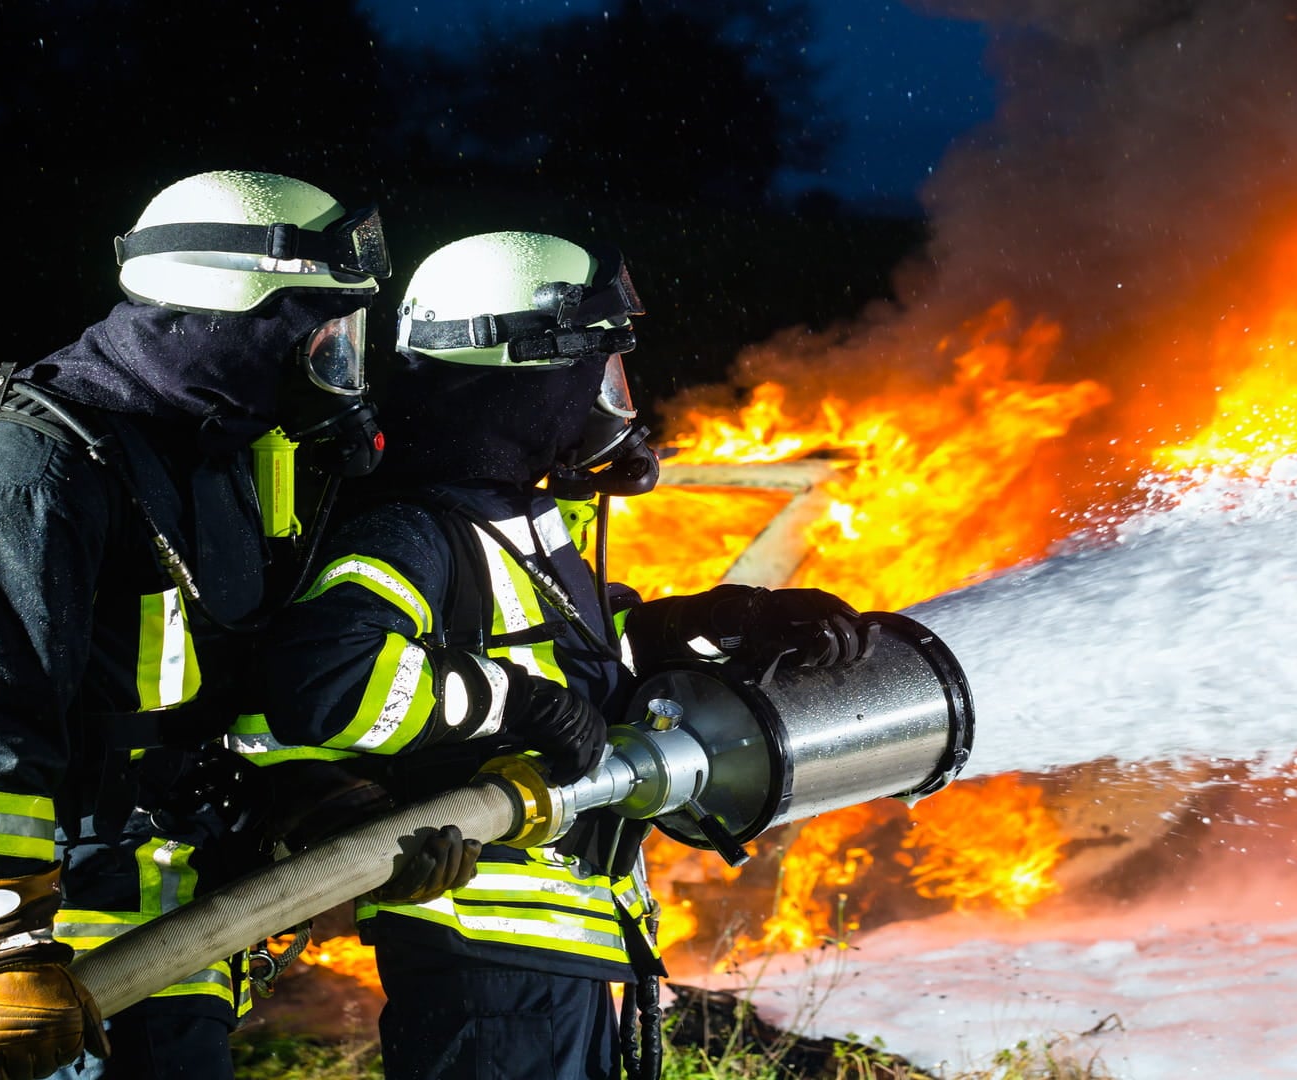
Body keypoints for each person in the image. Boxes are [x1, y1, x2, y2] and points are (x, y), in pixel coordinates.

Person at [241, 230, 871, 1080]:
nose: (610, 402)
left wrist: (730, 618)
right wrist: (517, 703)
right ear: (527, 383)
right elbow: (327, 682)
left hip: (559, 948)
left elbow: (581, 657)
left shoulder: (519, 522)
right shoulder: (412, 529)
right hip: (484, 950)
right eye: (594, 374)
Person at [0, 169, 392, 1080]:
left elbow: (213, 679)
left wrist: (311, 799)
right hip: (65, 959)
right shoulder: (37, 472)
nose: (337, 366)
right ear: (232, 316)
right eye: (320, 334)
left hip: (178, 926)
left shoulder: (210, 456)